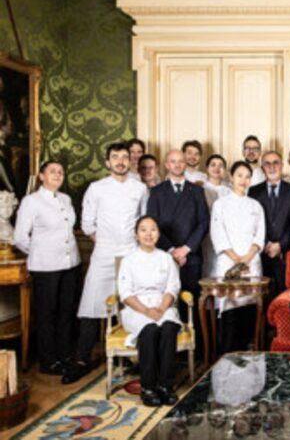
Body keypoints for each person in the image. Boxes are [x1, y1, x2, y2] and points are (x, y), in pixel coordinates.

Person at [64, 143, 147, 384]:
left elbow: (143, 220)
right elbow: (87, 223)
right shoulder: (96, 188)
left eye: (124, 157)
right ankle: (82, 358)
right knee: (91, 304)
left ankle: (130, 356)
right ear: (108, 162)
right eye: (115, 157)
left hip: (130, 252)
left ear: (130, 161)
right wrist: (104, 244)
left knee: (130, 303)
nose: (120, 161)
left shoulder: (140, 188)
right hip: (103, 253)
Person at [13, 161, 81, 375]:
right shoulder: (31, 201)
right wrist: (39, 253)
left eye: (61, 172)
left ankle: (64, 355)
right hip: (45, 267)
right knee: (46, 314)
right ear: (41, 176)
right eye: (52, 171)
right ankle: (48, 361)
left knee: (66, 312)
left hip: (70, 264)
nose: (58, 175)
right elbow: (20, 237)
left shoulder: (66, 199)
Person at [147, 149, 209, 356]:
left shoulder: (196, 191)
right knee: (167, 299)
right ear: (166, 164)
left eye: (180, 161)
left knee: (191, 300)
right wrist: (172, 250)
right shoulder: (157, 192)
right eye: (172, 161)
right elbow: (152, 225)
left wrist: (186, 248)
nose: (177, 165)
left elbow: (203, 222)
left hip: (191, 256)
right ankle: (169, 350)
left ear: (185, 164)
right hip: (165, 256)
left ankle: (195, 350)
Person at [117, 216, 182, 407]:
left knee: (169, 328)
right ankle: (148, 387)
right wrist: (146, 311)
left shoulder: (166, 258)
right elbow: (125, 293)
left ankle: (165, 386)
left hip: (163, 305)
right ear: (136, 234)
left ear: (158, 234)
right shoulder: (129, 260)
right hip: (137, 308)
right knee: (150, 330)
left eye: (153, 229)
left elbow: (172, 287)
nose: (148, 234)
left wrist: (161, 308)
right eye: (143, 230)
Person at [210, 161, 266, 351]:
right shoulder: (220, 204)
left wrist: (247, 258)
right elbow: (218, 234)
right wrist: (236, 259)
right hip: (228, 261)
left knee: (249, 305)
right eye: (239, 175)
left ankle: (247, 352)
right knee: (229, 306)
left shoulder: (256, 205)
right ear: (231, 177)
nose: (243, 180)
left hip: (251, 261)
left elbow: (260, 235)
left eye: (247, 176)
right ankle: (227, 352)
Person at [249, 151, 290, 298]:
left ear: (282, 165)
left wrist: (280, 245)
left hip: (285, 253)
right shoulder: (253, 191)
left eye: (276, 163)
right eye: (267, 164)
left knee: (284, 296)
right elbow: (252, 223)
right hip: (261, 252)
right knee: (261, 297)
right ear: (262, 168)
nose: (272, 167)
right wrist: (266, 244)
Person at [201, 154, 233, 277]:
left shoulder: (229, 191)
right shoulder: (200, 189)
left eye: (221, 166)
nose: (216, 168)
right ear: (207, 168)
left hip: (227, 235)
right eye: (213, 165)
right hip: (206, 235)